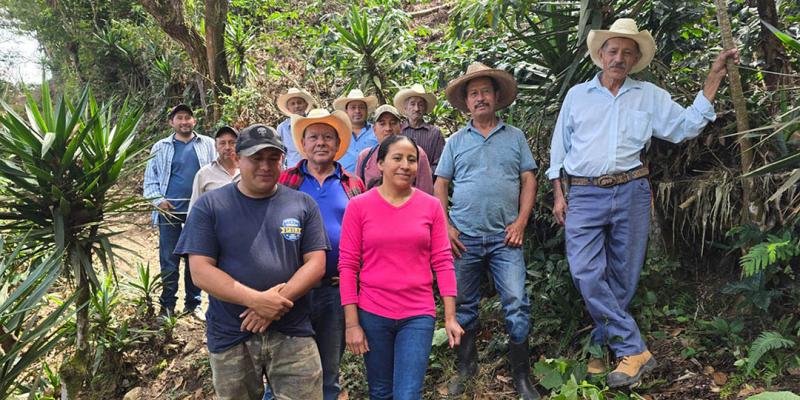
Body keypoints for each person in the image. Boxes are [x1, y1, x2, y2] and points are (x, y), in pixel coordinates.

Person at [547, 18, 739, 388]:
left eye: (627, 53)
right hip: (584, 193)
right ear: (601, 54)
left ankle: (604, 348)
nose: (619, 58)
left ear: (635, 60)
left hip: (631, 190)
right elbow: (560, 148)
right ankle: (634, 348)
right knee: (585, 271)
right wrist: (558, 192)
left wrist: (714, 76)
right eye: (613, 51)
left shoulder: (648, 95)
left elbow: (685, 126)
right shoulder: (577, 96)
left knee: (624, 275)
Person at [174, 124, 329, 400]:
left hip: (293, 330)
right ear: (237, 158)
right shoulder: (210, 206)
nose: (265, 166)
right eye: (256, 158)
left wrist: (273, 304)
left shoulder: (302, 204)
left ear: (282, 160)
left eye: (273, 158)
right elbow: (200, 271)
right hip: (232, 333)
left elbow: (316, 264)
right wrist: (256, 301)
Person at [435, 62, 541, 399]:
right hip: (464, 239)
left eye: (485, 92)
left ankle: (521, 376)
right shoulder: (455, 141)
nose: (480, 98)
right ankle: (466, 370)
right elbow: (440, 184)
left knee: (516, 303)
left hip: (505, 238)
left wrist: (521, 222)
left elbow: (528, 179)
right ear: (466, 102)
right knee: (464, 305)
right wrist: (446, 226)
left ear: (496, 96)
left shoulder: (515, 137)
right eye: (473, 94)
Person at [339, 134, 464, 400]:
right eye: (397, 158)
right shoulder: (358, 207)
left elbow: (443, 261)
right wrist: (352, 324)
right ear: (380, 163)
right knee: (380, 391)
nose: (405, 165)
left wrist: (450, 316)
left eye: (411, 159)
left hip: (417, 313)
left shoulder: (431, 206)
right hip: (373, 312)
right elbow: (348, 266)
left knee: (408, 394)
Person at [278, 108, 366, 400]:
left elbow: (365, 232)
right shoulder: (286, 180)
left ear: (338, 144)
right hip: (292, 289)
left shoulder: (352, 183)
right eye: (314, 137)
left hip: (335, 290)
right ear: (303, 144)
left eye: (328, 137)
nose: (321, 142)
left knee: (329, 372)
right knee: (283, 370)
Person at [143, 104, 215, 318]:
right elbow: (150, 179)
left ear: (194, 121)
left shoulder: (208, 144)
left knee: (196, 257)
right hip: (169, 212)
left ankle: (193, 304)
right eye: (179, 118)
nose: (184, 121)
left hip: (199, 212)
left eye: (188, 117)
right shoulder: (160, 147)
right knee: (169, 259)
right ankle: (167, 306)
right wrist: (159, 201)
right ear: (171, 122)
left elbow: (217, 172)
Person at [355, 104, 434, 194]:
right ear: (374, 129)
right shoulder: (365, 156)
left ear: (401, 127)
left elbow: (426, 193)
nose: (388, 128)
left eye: (393, 123)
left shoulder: (416, 153)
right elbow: (358, 192)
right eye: (382, 124)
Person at [394, 84, 446, 180]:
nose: (416, 109)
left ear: (425, 109)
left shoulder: (435, 133)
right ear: (405, 108)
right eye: (412, 104)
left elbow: (440, 163)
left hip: (426, 184)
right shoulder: (398, 130)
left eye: (420, 105)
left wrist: (422, 175)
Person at [189, 126, 240, 209]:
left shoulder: (249, 171)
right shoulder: (204, 174)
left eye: (232, 142)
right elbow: (194, 208)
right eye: (222, 143)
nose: (227, 147)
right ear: (216, 147)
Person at [334, 89, 379, 172]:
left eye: (361, 107)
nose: (357, 111)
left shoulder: (377, 131)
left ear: (366, 110)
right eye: (353, 107)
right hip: (342, 178)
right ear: (346, 111)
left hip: (371, 179)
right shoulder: (337, 133)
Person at [276, 87, 316, 167]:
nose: (296, 106)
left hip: (315, 169)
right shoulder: (282, 128)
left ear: (306, 105)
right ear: (288, 108)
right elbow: (279, 153)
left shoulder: (314, 123)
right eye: (293, 104)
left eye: (299, 102)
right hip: (293, 170)